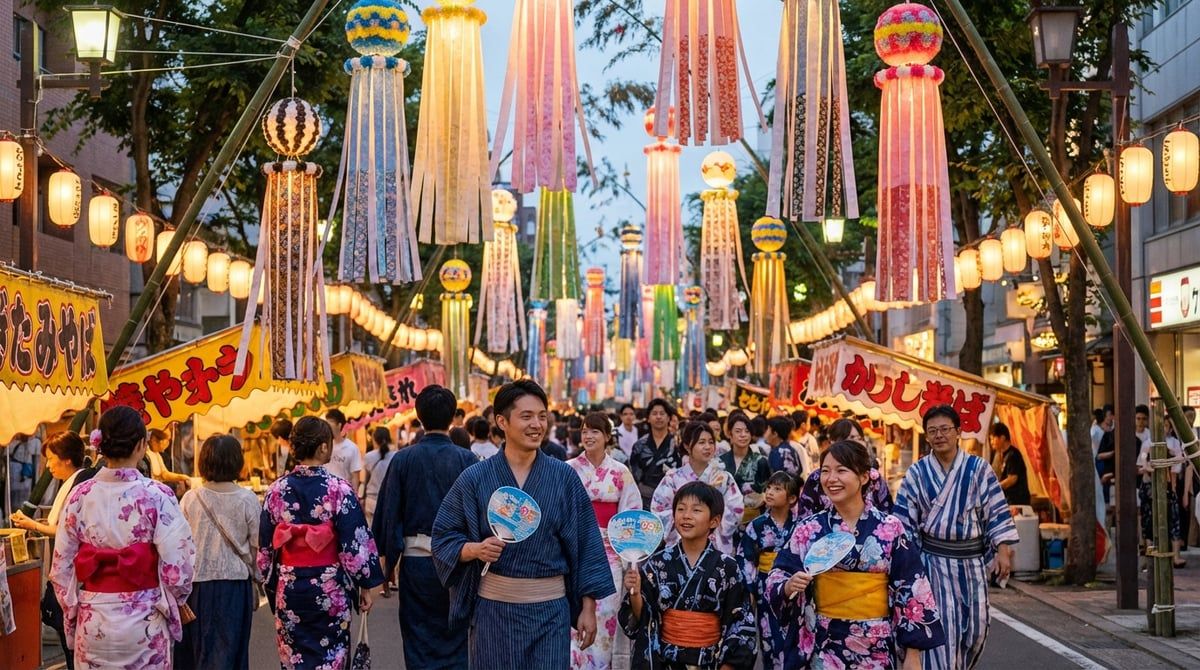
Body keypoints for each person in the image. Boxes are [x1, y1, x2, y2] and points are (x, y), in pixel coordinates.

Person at [431, 380, 615, 668]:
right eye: (526, 416)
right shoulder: (475, 477)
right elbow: (443, 536)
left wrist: (588, 607)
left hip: (550, 613)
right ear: (502, 421)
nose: (537, 425)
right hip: (494, 612)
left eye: (542, 416)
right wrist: (474, 549)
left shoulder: (563, 478)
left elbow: (587, 544)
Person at [767, 441, 945, 669]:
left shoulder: (890, 527)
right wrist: (788, 585)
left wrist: (913, 653)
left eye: (841, 470)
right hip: (824, 642)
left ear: (863, 476)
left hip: (876, 643)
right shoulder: (809, 529)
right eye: (825, 471)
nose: (831, 479)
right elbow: (778, 574)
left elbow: (912, 586)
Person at [49, 406, 196, 669]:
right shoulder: (157, 495)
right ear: (141, 445)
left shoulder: (80, 495)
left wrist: (73, 611)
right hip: (144, 620)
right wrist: (170, 602)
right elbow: (179, 566)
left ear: (100, 445)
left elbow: (60, 568)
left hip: (93, 620)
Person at [894, 405, 1017, 670]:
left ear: (958, 431)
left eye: (945, 429)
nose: (939, 435)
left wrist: (1003, 550)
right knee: (944, 633)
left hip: (971, 564)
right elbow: (903, 522)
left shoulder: (979, 469)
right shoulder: (917, 473)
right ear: (927, 436)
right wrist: (909, 565)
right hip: (933, 564)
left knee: (976, 629)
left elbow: (996, 511)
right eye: (932, 431)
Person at [259, 416, 383, 669]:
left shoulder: (276, 490)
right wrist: (364, 584)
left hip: (290, 586)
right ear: (324, 447)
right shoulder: (339, 489)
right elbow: (355, 544)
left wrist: (271, 581)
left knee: (293, 657)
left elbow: (265, 549)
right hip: (329, 587)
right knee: (332, 656)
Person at [372, 385, 480, 668]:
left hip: (416, 561)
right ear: (452, 417)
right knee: (456, 637)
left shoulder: (403, 459)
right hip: (458, 561)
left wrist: (388, 565)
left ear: (419, 417)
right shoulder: (467, 460)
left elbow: (389, 513)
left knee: (418, 638)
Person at [620, 481, 758, 669]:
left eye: (696, 510)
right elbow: (643, 619)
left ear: (714, 521)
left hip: (711, 661)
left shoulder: (728, 567)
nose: (686, 515)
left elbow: (740, 622)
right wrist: (635, 594)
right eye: (681, 509)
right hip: (665, 661)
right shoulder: (657, 563)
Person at [176, 434, 260, 670]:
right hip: (235, 586)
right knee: (232, 651)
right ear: (237, 461)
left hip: (197, 587)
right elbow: (257, 546)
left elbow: (180, 545)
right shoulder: (247, 499)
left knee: (199, 652)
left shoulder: (190, 498)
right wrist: (257, 578)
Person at [567, 412, 642, 670]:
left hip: (609, 556)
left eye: (595, 431)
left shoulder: (620, 472)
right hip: (574, 552)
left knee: (606, 617)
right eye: (584, 431)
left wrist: (630, 563)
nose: (588, 436)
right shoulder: (568, 469)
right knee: (572, 620)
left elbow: (631, 517)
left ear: (608, 436)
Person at [10, 432, 90, 669]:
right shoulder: (76, 481)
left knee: (72, 644)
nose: (48, 465)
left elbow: (68, 531)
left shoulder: (79, 485)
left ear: (67, 459)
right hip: (74, 576)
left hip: (75, 577)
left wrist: (32, 525)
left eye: (52, 458)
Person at [736, 472, 799, 670]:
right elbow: (746, 558)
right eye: (769, 488)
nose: (770, 492)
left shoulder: (801, 525)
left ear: (792, 498)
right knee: (768, 636)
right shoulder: (757, 525)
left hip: (795, 586)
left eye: (777, 489)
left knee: (796, 635)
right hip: (765, 585)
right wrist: (751, 589)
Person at [651, 421, 744, 554]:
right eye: (701, 442)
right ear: (687, 446)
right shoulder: (672, 479)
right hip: (679, 545)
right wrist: (687, 525)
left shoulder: (724, 478)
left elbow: (735, 509)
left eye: (711, 442)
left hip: (715, 545)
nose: (708, 447)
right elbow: (659, 511)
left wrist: (709, 525)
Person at [796, 418, 893, 519]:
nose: (857, 443)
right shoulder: (817, 478)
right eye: (851, 438)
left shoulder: (873, 476)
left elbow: (886, 512)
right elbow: (805, 516)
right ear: (833, 442)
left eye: (859, 438)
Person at [630, 398, 681, 509]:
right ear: (648, 418)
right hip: (644, 499)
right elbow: (634, 474)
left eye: (662, 413)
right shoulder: (639, 445)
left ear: (668, 418)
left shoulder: (678, 444)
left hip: (672, 499)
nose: (658, 417)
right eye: (654, 413)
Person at [989, 422, 1031, 507]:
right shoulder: (998, 455)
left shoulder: (1013, 454)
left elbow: (1012, 479)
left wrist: (994, 487)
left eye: (993, 439)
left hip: (1018, 503)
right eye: (990, 439)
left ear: (1002, 438)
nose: (991, 442)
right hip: (1007, 502)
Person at [362, 426, 395, 525]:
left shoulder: (368, 456)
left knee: (372, 529)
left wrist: (362, 497)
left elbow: (365, 480)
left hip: (372, 500)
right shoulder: (396, 456)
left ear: (374, 440)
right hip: (390, 500)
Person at [324, 409, 363, 492]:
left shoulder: (351, 448)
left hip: (343, 492)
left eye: (330, 423)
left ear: (339, 425)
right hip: (326, 492)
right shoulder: (324, 446)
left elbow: (355, 476)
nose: (327, 428)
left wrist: (354, 495)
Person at [5, 432, 41, 518]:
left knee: (23, 495)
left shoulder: (32, 443)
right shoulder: (12, 444)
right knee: (15, 495)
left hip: (23, 473)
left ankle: (22, 513)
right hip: (17, 473)